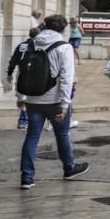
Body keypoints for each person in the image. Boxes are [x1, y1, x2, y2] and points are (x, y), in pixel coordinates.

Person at [17, 14, 89, 190]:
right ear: (63, 29)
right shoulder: (64, 47)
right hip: (55, 100)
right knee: (62, 135)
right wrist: (65, 104)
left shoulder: (31, 44)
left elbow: (22, 71)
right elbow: (67, 78)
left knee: (32, 136)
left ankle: (27, 177)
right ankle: (69, 168)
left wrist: (21, 97)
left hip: (33, 99)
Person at [7, 28, 40, 129]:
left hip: (22, 74)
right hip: (36, 75)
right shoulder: (40, 46)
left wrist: (10, 73)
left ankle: (23, 120)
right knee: (33, 99)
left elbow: (13, 60)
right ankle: (32, 120)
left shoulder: (22, 45)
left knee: (22, 98)